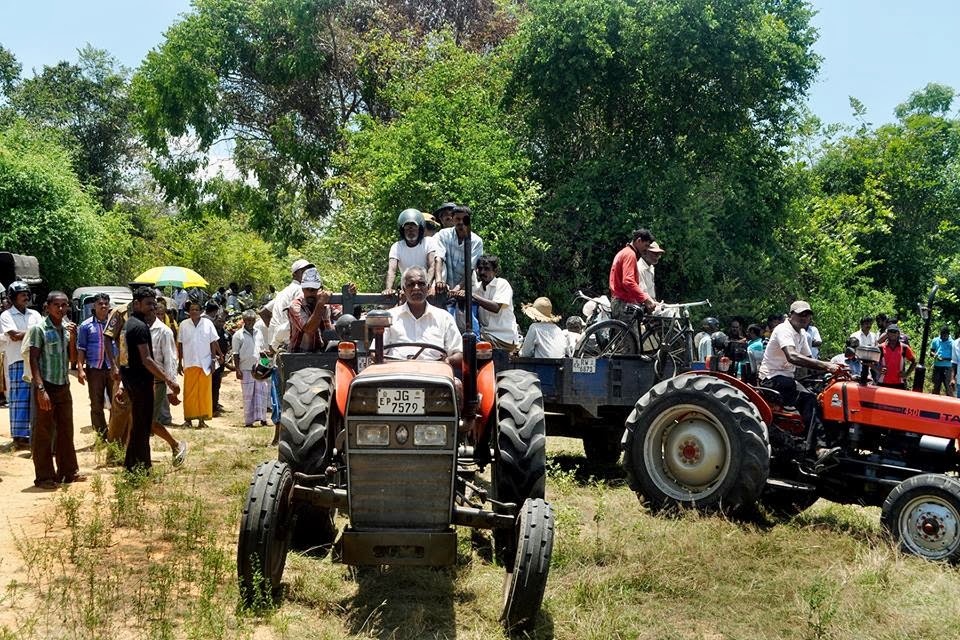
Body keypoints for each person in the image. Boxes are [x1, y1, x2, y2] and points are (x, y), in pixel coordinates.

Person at [758, 300, 844, 433]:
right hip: (771, 379)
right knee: (809, 399)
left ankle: (830, 435)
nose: (804, 318)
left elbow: (809, 360)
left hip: (786, 378)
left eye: (807, 315)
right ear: (790, 315)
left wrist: (835, 370)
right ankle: (817, 443)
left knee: (821, 396)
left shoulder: (802, 333)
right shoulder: (783, 330)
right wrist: (826, 365)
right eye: (800, 314)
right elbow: (792, 356)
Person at [121, 287, 181, 472]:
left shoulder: (129, 325)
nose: (152, 307)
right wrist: (169, 380)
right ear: (136, 304)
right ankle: (141, 468)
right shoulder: (139, 327)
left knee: (138, 426)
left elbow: (123, 358)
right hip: (141, 384)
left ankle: (132, 466)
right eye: (148, 304)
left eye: (154, 304)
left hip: (133, 382)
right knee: (142, 427)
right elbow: (147, 359)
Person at [26, 291, 82, 488]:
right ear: (48, 307)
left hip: (63, 385)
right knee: (43, 432)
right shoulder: (39, 329)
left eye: (64, 305)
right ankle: (44, 477)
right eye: (57, 305)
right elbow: (33, 359)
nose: (60, 309)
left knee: (66, 430)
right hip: (46, 385)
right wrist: (40, 389)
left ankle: (68, 472)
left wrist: (73, 338)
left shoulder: (66, 329)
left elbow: (72, 359)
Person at [384, 266, 463, 366]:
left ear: (428, 287)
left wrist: (447, 361)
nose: (416, 288)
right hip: (397, 372)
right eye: (411, 284)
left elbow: (459, 353)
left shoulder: (444, 317)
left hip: (434, 372)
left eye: (421, 284)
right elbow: (375, 351)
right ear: (404, 289)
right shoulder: (390, 317)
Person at [0, 281, 42, 449]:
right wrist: (35, 332)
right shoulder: (6, 315)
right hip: (17, 360)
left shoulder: (35, 314)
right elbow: (14, 335)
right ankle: (19, 437)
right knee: (19, 398)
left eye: (27, 294)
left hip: (36, 360)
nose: (26, 297)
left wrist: (32, 333)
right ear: (13, 297)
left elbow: (41, 332)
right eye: (22, 294)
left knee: (36, 397)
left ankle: (34, 433)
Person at [148, 300, 187, 466]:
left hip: (158, 382)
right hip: (141, 382)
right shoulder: (139, 328)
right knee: (140, 421)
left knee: (150, 422)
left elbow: (170, 360)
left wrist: (171, 388)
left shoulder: (164, 331)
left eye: (158, 313)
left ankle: (175, 445)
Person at [76, 292, 115, 439]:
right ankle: (101, 435)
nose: (103, 306)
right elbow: (81, 349)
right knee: (96, 403)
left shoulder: (114, 324)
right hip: (94, 369)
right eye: (100, 304)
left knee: (116, 402)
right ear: (94, 306)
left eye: (106, 303)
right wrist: (80, 369)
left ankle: (114, 433)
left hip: (112, 368)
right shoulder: (86, 326)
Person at [177, 300, 220, 428]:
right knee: (189, 393)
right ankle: (188, 419)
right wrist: (179, 362)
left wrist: (213, 360)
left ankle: (202, 420)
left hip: (205, 363)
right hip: (189, 362)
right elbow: (180, 344)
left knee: (204, 392)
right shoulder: (183, 324)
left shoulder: (208, 323)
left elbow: (213, 342)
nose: (194, 311)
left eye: (197, 309)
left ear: (201, 311)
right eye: (192, 309)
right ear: (188, 311)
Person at [467, 255, 517, 352]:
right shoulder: (477, 288)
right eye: (480, 269)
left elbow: (496, 307)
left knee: (470, 342)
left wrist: (472, 296)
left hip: (503, 338)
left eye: (487, 269)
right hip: (487, 335)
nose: (482, 272)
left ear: (495, 271)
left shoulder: (502, 284)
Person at [609, 229, 657, 327]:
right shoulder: (630, 255)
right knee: (631, 336)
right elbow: (628, 281)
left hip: (618, 301)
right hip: (624, 303)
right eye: (646, 245)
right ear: (639, 240)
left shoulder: (623, 252)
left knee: (621, 335)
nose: (646, 249)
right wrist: (645, 299)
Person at [384, 209, 437, 294]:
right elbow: (392, 270)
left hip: (425, 287)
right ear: (402, 230)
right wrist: (388, 288)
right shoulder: (396, 246)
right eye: (407, 228)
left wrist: (427, 286)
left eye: (414, 227)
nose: (410, 231)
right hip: (407, 289)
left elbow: (432, 266)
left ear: (420, 229)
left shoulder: (429, 242)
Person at [435, 204, 483, 292]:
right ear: (452, 219)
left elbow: (470, 268)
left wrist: (458, 288)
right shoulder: (443, 234)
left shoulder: (476, 241)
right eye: (457, 219)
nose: (461, 222)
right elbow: (439, 258)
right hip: (445, 287)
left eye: (464, 219)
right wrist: (438, 280)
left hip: (467, 289)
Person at [233, 309, 268, 427]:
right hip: (246, 369)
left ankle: (263, 419)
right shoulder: (238, 335)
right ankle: (249, 421)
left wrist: (266, 365)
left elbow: (262, 351)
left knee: (261, 394)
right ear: (244, 320)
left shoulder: (259, 333)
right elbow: (235, 354)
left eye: (252, 320)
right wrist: (237, 370)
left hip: (259, 369)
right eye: (248, 320)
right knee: (248, 396)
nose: (250, 323)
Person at [269, 258, 315, 349]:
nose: (307, 273)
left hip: (277, 339)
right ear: (294, 274)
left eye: (308, 271)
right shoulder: (300, 289)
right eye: (303, 271)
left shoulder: (283, 292)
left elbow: (264, 312)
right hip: (290, 337)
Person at [287, 268, 333, 353]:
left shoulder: (326, 303)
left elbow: (341, 314)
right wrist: (320, 304)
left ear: (320, 289)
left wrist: (350, 294)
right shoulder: (296, 305)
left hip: (323, 352)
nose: (310, 293)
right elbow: (309, 330)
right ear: (302, 289)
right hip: (298, 354)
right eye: (307, 289)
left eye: (313, 289)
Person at [204, 301, 228, 416]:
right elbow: (213, 344)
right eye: (219, 321)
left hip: (221, 361)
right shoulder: (210, 329)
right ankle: (210, 407)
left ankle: (215, 404)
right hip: (212, 360)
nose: (221, 323)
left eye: (223, 321)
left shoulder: (225, 332)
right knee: (212, 383)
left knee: (217, 383)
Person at [878, 324, 915, 389]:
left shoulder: (904, 347)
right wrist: (878, 369)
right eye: (890, 331)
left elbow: (914, 362)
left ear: (898, 334)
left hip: (899, 383)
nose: (893, 333)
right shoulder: (880, 347)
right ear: (887, 334)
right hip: (883, 382)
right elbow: (871, 363)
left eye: (895, 332)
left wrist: (907, 374)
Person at [929, 326, 954, 395]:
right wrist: (935, 355)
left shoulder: (952, 343)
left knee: (949, 387)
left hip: (948, 367)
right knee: (935, 387)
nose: (943, 337)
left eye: (945, 335)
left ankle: (950, 401)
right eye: (942, 335)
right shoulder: (935, 340)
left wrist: (944, 359)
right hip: (937, 366)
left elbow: (954, 358)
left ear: (948, 334)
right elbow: (931, 352)